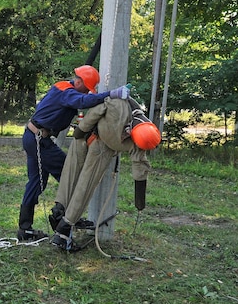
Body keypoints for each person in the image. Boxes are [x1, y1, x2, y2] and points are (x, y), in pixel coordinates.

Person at [17, 65, 130, 241]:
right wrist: (111, 94)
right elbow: (82, 102)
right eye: (86, 89)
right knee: (70, 173)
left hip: (33, 137)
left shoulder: (63, 87)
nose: (86, 93)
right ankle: (64, 218)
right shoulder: (67, 93)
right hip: (39, 140)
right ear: (78, 82)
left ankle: (25, 229)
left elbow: (75, 104)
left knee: (36, 182)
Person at [49, 97, 161, 251]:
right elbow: (140, 168)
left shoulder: (137, 134)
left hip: (85, 138)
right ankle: (64, 227)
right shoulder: (124, 112)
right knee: (83, 185)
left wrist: (81, 130)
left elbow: (140, 167)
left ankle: (59, 213)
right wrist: (81, 129)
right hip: (95, 144)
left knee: (73, 178)